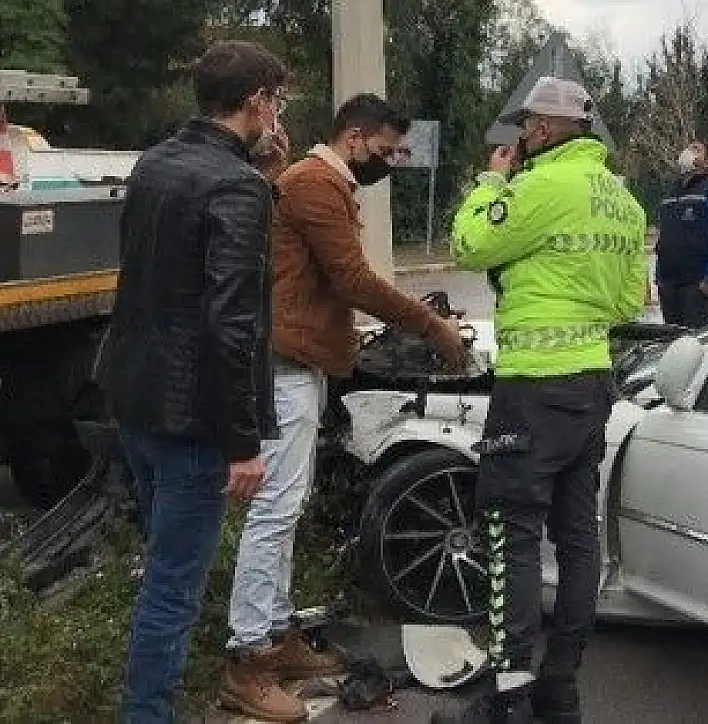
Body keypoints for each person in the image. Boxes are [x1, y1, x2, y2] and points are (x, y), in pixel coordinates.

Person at [218, 94, 472, 721]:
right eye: (385, 152)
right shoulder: (315, 184)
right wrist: (431, 326)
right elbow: (353, 280)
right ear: (355, 138)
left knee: (287, 505)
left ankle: (275, 637)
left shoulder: (316, 182)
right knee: (275, 511)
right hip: (285, 365)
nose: (388, 162)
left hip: (300, 361)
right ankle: (248, 659)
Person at [442, 77, 647, 724]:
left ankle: (507, 696)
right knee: (578, 536)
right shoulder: (624, 203)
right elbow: (626, 303)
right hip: (591, 386)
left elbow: (469, 244)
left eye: (527, 126)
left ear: (548, 129)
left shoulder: (538, 187)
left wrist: (489, 185)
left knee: (511, 535)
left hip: (534, 387)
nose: (522, 136)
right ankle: (560, 688)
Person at [94, 40, 287, 723]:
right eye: (277, 101)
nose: (279, 115)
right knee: (173, 592)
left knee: (161, 574)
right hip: (192, 423)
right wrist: (242, 444)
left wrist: (260, 172)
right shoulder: (236, 188)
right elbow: (232, 325)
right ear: (258, 101)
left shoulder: (158, 162)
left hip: (135, 399)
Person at [653, 140, 708, 328]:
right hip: (669, 286)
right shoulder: (670, 195)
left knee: (697, 343)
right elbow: (665, 238)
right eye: (688, 148)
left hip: (697, 286)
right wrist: (659, 278)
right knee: (673, 344)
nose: (688, 152)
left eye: (696, 150)